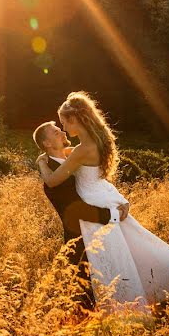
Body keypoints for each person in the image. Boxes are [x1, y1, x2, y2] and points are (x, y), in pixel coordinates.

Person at [37, 91, 169, 314]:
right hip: (105, 195)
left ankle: (121, 305)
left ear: (74, 119)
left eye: (64, 122)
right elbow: (66, 152)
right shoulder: (95, 141)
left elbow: (53, 180)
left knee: (110, 257)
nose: (64, 129)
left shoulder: (82, 150)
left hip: (95, 202)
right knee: (135, 245)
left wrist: (42, 164)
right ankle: (166, 281)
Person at [33, 120, 129, 310]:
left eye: (61, 129)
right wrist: (113, 214)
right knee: (86, 301)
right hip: (80, 244)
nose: (62, 132)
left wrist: (119, 199)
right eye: (56, 132)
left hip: (96, 236)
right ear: (47, 144)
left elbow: (95, 183)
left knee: (105, 292)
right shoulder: (54, 175)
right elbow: (77, 211)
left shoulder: (71, 161)